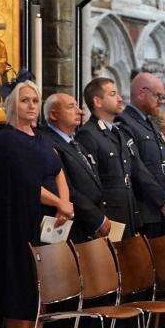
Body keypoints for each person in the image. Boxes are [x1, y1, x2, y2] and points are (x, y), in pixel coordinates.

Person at [0, 82, 73, 328]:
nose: (32, 106)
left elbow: (58, 170)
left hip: (47, 224)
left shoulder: (42, 139)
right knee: (20, 297)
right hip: (18, 225)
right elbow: (24, 183)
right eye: (25, 101)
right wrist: (59, 203)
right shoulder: (7, 141)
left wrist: (66, 202)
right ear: (12, 105)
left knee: (41, 296)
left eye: (35, 100)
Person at [77, 77, 165, 236]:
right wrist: (100, 219)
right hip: (110, 218)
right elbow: (90, 184)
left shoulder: (118, 132)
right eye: (113, 94)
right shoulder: (88, 135)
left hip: (129, 214)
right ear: (97, 101)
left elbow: (132, 172)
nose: (120, 99)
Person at [117, 72, 165, 237]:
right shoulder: (124, 123)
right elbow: (136, 167)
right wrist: (163, 200)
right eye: (158, 96)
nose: (161, 101)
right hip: (147, 211)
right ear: (141, 93)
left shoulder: (151, 123)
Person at [40, 93, 109, 242]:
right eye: (71, 107)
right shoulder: (47, 142)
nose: (80, 111)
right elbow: (67, 188)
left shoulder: (74, 142)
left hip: (87, 227)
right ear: (53, 114)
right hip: (71, 227)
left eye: (78, 106)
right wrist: (97, 219)